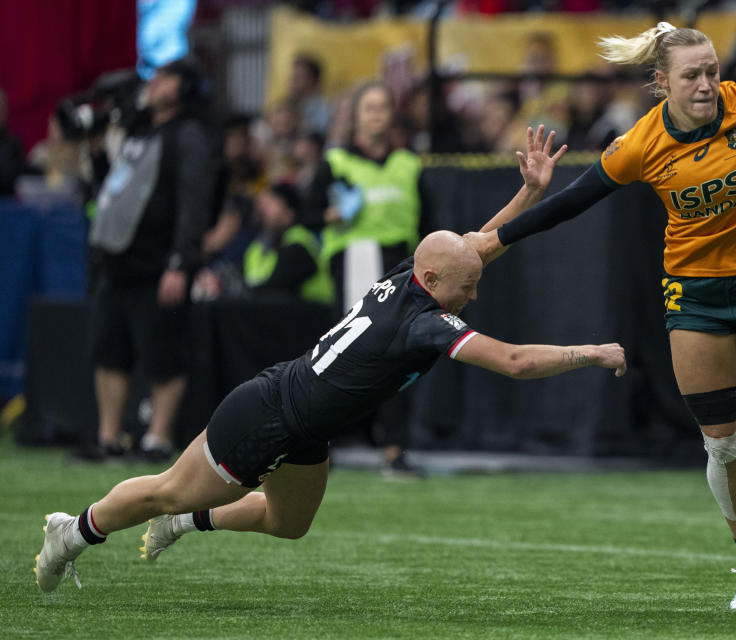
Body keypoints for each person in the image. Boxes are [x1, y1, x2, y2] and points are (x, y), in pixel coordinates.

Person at [33, 126, 627, 594]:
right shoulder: (421, 323)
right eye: (466, 289)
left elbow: (479, 248)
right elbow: (517, 362)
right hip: (266, 413)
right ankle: (73, 532)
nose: (474, 296)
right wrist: (592, 352)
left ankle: (187, 524)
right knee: (166, 488)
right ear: (433, 278)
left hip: (306, 426)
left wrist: (528, 192)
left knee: (288, 523)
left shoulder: (415, 279)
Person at [469, 22, 736, 610]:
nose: (708, 84)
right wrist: (496, 240)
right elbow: (571, 203)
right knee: (723, 447)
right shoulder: (640, 144)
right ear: (660, 82)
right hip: (695, 299)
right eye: (692, 74)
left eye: (712, 70)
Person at [81, 57, 214, 462]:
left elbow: (195, 203)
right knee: (109, 348)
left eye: (166, 77)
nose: (154, 83)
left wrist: (180, 262)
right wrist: (98, 153)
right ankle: (108, 437)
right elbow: (114, 190)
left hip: (158, 263)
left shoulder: (189, 135)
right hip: (117, 260)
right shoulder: (139, 130)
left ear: (185, 89)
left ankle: (156, 438)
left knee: (163, 353)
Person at [304, 81, 432, 476]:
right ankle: (321, 446)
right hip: (353, 262)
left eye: (382, 107)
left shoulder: (410, 164)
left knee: (400, 355)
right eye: (369, 108)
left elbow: (429, 222)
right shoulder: (336, 163)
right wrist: (333, 216)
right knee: (342, 356)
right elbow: (307, 217)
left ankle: (395, 449)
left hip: (400, 264)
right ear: (355, 116)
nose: (377, 114)